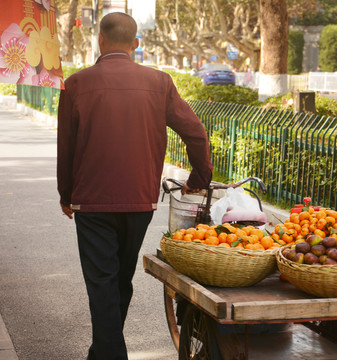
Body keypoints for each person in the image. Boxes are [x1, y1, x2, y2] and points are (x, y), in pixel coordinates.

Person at [56, 12, 212, 360]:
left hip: (91, 203)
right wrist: (198, 180)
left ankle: (109, 353)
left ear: (99, 40)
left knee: (102, 283)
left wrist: (65, 195)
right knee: (118, 280)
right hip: (141, 201)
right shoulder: (159, 82)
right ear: (136, 44)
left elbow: (65, 147)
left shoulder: (76, 84)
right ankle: (103, 352)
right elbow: (196, 134)